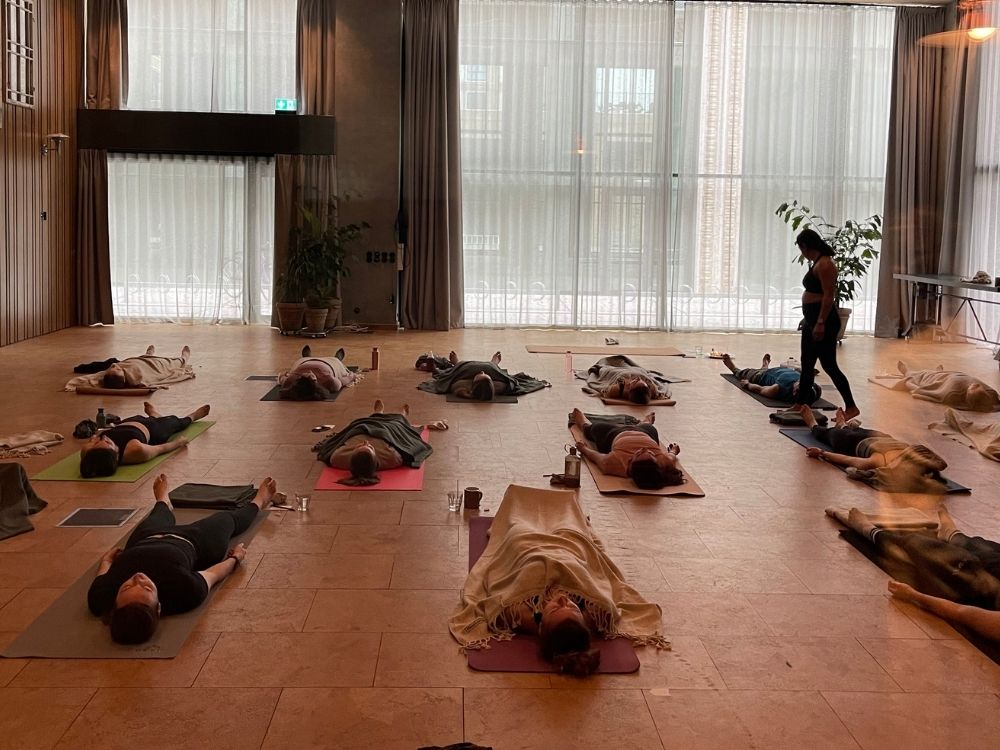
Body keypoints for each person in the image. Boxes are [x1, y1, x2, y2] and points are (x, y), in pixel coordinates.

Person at [449, 484, 668, 676]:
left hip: (527, 548)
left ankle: (520, 507)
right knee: (571, 527)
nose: (564, 600)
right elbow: (606, 600)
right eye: (573, 608)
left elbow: (496, 604)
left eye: (555, 609)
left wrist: (537, 621)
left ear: (541, 625)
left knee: (518, 528)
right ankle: (566, 510)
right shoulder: (596, 613)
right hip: (569, 549)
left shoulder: (518, 613)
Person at [88, 473, 276, 644]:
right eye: (147, 588)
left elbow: (101, 576)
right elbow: (212, 575)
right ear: (159, 607)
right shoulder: (184, 591)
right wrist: (235, 559)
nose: (138, 578)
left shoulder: (101, 597)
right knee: (227, 519)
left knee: (159, 514)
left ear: (115, 603)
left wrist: (107, 561)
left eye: (126, 587)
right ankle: (259, 500)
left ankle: (163, 501)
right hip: (196, 541)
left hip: (146, 537)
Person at [835, 505, 1000, 641]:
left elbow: (961, 612)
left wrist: (914, 595)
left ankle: (871, 531)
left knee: (940, 557)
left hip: (985, 590)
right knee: (991, 554)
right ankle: (953, 535)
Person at [800, 407, 948, 494]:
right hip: (881, 437)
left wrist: (822, 453)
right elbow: (941, 464)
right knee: (856, 430)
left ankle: (813, 424)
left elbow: (850, 460)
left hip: (851, 442)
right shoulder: (916, 454)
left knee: (829, 434)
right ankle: (842, 424)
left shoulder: (881, 462)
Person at [793, 229, 859, 420]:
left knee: (829, 365)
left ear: (805, 246)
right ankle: (800, 404)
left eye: (801, 248)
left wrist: (820, 322)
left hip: (825, 321)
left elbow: (829, 296)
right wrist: (808, 319)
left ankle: (851, 407)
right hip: (812, 319)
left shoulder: (825, 264)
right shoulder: (817, 262)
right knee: (807, 363)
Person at [312, 399, 445, 485]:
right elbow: (404, 447)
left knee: (357, 423)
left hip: (361, 429)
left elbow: (332, 448)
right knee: (397, 424)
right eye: (369, 447)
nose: (366, 443)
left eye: (360, 447)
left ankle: (377, 414)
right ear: (376, 459)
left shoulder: (338, 459)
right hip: (387, 432)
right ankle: (402, 415)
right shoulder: (391, 459)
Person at [78, 401, 211, 478]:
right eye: (107, 442)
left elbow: (94, 441)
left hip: (129, 421)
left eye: (98, 442)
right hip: (153, 429)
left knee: (148, 418)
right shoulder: (135, 451)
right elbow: (159, 449)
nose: (105, 437)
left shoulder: (88, 452)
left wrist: (94, 441)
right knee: (176, 422)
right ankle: (193, 416)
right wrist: (178, 443)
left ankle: (153, 414)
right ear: (116, 453)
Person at [571, 408, 683, 489]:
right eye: (650, 453)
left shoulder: (616, 464)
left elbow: (596, 457)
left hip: (614, 434)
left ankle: (584, 424)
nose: (644, 448)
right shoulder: (663, 463)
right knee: (649, 427)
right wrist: (674, 450)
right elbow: (671, 457)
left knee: (595, 428)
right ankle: (646, 422)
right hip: (645, 433)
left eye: (639, 453)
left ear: (631, 463)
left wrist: (583, 448)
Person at [416, 350, 549, 401]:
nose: (482, 372)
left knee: (448, 371)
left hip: (464, 367)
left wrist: (455, 364)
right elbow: (511, 381)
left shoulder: (460, 385)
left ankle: (446, 364)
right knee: (494, 368)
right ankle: (493, 362)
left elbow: (449, 379)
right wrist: (494, 363)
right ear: (492, 382)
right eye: (486, 376)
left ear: (472, 383)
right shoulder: (500, 385)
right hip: (490, 367)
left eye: (479, 375)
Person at [879, 361, 1000, 413]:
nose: (976, 384)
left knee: (922, 375)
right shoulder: (991, 394)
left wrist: (909, 383)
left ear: (968, 395)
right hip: (953, 374)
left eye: (973, 388)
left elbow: (925, 392)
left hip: (940, 380)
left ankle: (907, 372)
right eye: (977, 386)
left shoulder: (951, 393)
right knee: (935, 373)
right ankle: (938, 371)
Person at [64, 345, 195, 391]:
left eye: (113, 368)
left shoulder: (105, 374)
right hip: (153, 367)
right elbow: (153, 379)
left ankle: (148, 355)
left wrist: (72, 385)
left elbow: (87, 379)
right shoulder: (139, 380)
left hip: (137, 361)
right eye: (118, 370)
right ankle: (184, 357)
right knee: (172, 363)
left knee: (136, 359)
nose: (115, 366)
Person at [721, 352, 822, 404]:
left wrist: (748, 385)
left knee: (745, 373)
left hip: (760, 377)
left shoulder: (779, 389)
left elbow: (761, 389)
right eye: (800, 383)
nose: (799, 383)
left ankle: (734, 368)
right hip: (778, 370)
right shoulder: (814, 389)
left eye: (797, 388)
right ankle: (765, 366)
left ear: (794, 392)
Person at [584, 355, 673, 405]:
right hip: (635, 371)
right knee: (622, 361)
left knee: (606, 365)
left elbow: (605, 384)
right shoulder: (652, 389)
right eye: (642, 381)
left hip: (619, 372)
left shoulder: (617, 389)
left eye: (635, 382)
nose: (638, 379)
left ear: (630, 388)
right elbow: (658, 389)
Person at [278, 345, 357, 400]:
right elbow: (342, 381)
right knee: (337, 361)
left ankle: (307, 357)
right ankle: (337, 358)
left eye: (304, 375)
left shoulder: (291, 379)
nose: (309, 371)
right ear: (315, 380)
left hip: (304, 361)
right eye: (310, 376)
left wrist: (285, 375)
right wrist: (352, 376)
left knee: (304, 360)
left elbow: (281, 377)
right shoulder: (328, 380)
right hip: (332, 363)